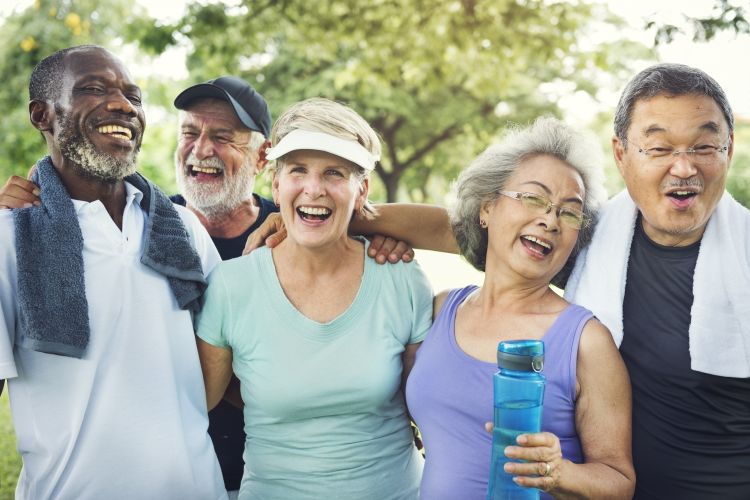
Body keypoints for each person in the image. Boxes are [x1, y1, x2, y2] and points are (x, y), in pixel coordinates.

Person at [0, 75, 414, 498]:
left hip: (246, 476)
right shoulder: (165, 227)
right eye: (189, 133)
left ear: (262, 159)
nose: (201, 150)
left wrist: (361, 225)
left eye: (223, 137)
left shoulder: (298, 224)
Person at [0, 45, 226, 499]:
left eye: (133, 96)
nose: (123, 105)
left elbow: (226, 355)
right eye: (93, 89)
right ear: (42, 115)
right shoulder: (10, 237)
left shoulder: (183, 230)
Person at [195, 97, 433, 499]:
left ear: (363, 191)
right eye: (298, 170)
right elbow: (195, 401)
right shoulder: (232, 286)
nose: (313, 188)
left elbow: (429, 407)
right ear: (275, 183)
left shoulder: (401, 278)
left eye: (335, 173)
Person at [401, 117, 633, 499]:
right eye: (533, 198)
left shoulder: (586, 342)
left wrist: (561, 473)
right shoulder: (441, 309)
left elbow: (620, 483)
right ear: (486, 208)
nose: (550, 219)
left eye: (569, 211)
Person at [564, 63, 750, 499]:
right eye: (659, 148)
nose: (683, 168)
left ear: (729, 150)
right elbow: (486, 232)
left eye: (704, 146)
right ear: (621, 155)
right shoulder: (587, 243)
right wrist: (372, 222)